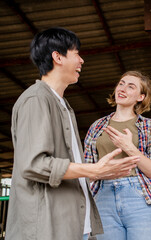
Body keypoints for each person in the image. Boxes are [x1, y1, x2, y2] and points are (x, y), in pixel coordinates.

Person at [7, 27, 139, 240]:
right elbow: (33, 164)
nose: (82, 61)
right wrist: (93, 170)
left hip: (74, 225)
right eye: (76, 53)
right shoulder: (37, 100)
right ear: (57, 57)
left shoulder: (64, 106)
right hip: (47, 228)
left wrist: (98, 172)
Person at [84, 71, 151, 240]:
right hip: (103, 196)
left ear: (141, 97)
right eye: (121, 83)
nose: (122, 88)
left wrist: (129, 147)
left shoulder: (149, 126)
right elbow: (86, 171)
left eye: (131, 86)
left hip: (140, 196)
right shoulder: (97, 127)